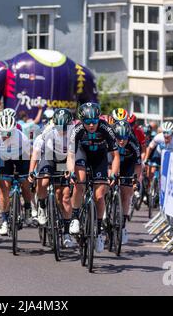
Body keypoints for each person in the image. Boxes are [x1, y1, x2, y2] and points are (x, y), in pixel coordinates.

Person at [66, 102, 120, 253]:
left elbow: (115, 156)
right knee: (79, 183)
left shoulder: (106, 128)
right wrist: (71, 172)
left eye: (94, 121)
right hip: (82, 154)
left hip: (99, 158)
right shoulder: (76, 129)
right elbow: (70, 155)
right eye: (87, 122)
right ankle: (75, 217)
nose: (91, 125)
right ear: (82, 121)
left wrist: (114, 174)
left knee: (99, 196)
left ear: (99, 119)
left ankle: (99, 228)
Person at [28, 109, 75, 248]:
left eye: (64, 128)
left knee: (65, 196)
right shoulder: (47, 131)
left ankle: (66, 233)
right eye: (59, 128)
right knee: (44, 179)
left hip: (65, 160)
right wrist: (31, 171)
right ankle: (42, 205)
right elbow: (36, 153)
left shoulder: (74, 132)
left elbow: (73, 156)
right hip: (49, 158)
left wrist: (70, 170)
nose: (62, 131)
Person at [0, 112, 32, 236]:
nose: (6, 135)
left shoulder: (22, 138)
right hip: (4, 159)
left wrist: (29, 172)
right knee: (4, 188)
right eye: (3, 132)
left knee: (25, 182)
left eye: (9, 133)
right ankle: (5, 221)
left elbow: (30, 156)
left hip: (21, 157)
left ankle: (28, 207)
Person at [112, 120, 142, 245]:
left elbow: (138, 164)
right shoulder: (109, 140)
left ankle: (123, 225)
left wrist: (135, 180)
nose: (121, 141)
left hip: (127, 165)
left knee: (126, 194)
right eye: (119, 138)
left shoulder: (134, 143)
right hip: (112, 162)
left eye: (124, 138)